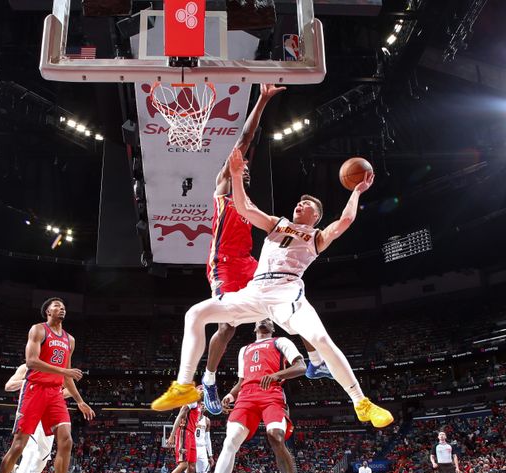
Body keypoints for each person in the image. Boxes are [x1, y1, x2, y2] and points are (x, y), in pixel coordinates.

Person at [152, 148, 393, 431]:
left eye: (306, 206)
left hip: (287, 291)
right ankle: (184, 385)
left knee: (321, 338)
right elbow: (244, 209)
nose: (299, 206)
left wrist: (357, 191)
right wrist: (237, 176)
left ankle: (361, 402)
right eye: (299, 204)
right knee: (195, 314)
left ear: (316, 216)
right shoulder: (277, 225)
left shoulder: (316, 236)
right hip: (256, 290)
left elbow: (346, 221)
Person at [201, 82, 290, 415]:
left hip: (249, 263)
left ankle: (309, 358)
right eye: (242, 166)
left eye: (249, 170)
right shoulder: (224, 187)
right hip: (223, 264)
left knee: (279, 303)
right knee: (227, 324)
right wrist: (263, 100)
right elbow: (245, 140)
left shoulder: (248, 203)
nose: (246, 169)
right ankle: (209, 379)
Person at [0, 297, 95, 473]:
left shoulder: (69, 339)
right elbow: (32, 361)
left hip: (54, 394)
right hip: (34, 390)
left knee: (66, 441)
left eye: (63, 306)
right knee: (18, 446)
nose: (61, 308)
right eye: (56, 306)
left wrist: (80, 400)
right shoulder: (38, 330)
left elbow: (68, 375)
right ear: (47, 312)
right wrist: (64, 372)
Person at [195, 319, 308, 473]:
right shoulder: (244, 350)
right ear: (254, 327)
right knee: (230, 441)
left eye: (268, 318)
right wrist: (230, 395)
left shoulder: (280, 342)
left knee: (275, 436)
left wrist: (276, 375)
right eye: (259, 319)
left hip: (271, 394)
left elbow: (301, 366)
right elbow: (242, 382)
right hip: (246, 396)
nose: (263, 320)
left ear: (273, 327)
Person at [4, 363, 72, 473]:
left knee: (40, 465)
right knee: (30, 453)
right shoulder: (26, 368)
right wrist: (32, 382)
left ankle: (17, 470)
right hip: (31, 411)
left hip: (48, 416)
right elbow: (9, 386)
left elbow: (68, 390)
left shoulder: (58, 368)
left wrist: (53, 392)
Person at [152, 396, 202, 473]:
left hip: (191, 435)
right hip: (184, 433)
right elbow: (180, 414)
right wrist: (172, 435)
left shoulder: (199, 406)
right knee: (183, 465)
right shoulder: (192, 399)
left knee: (192, 468)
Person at [194, 408, 214, 473]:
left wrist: (210, 455)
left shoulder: (207, 420)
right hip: (192, 447)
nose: (202, 406)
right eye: (200, 404)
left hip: (202, 449)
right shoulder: (191, 417)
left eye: (203, 404)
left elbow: (208, 439)